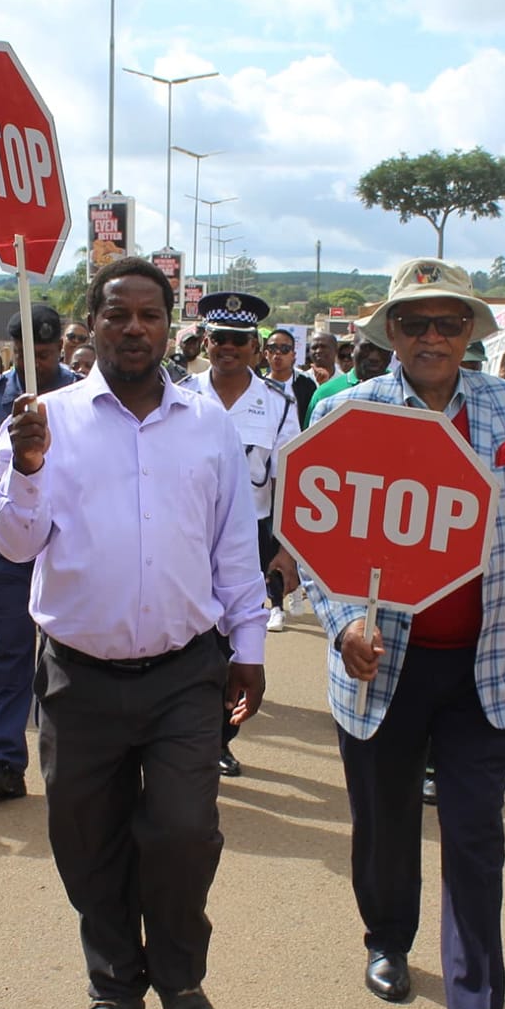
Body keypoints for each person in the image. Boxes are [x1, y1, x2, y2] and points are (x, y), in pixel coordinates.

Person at [0, 256, 267, 1009]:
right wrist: (29, 468)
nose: (134, 328)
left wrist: (247, 647)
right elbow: (11, 543)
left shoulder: (207, 421)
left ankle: (180, 980)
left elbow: (233, 547)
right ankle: (114, 983)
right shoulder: (46, 419)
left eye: (149, 314)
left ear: (167, 325)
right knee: (87, 836)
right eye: (118, 314)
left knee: (183, 832)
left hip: (185, 671)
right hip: (79, 672)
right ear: (94, 323)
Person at [303, 258, 505, 1009]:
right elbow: (320, 547)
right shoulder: (352, 415)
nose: (430, 337)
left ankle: (477, 1006)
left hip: (484, 663)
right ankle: (387, 935)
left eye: (446, 323)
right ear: (391, 334)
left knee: (476, 831)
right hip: (382, 666)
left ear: (469, 335)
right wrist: (346, 625)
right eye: (413, 323)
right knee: (384, 821)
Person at [0, 304, 78, 802]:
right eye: (32, 351)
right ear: (14, 349)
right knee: (8, 655)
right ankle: (3, 760)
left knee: (63, 656)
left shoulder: (82, 396)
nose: (41, 360)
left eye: (49, 352)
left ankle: (64, 760)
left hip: (66, 547)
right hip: (4, 553)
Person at [183, 293, 299, 742]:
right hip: (189, 530)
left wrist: (287, 552)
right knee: (193, 636)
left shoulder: (279, 404)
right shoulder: (180, 395)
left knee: (236, 640)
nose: (227, 348)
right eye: (219, 339)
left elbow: (290, 481)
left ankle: (219, 738)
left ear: (255, 347)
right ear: (205, 342)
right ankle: (192, 733)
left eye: (238, 340)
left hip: (250, 535)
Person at [265, 328, 319, 429]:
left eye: (284, 349)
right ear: (266, 354)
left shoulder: (306, 385)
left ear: (293, 355)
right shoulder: (258, 385)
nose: (278, 353)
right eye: (273, 348)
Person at [313, 336, 392, 404]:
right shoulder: (325, 394)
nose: (374, 357)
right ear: (352, 349)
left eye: (383, 348)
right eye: (367, 348)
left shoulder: (401, 390)